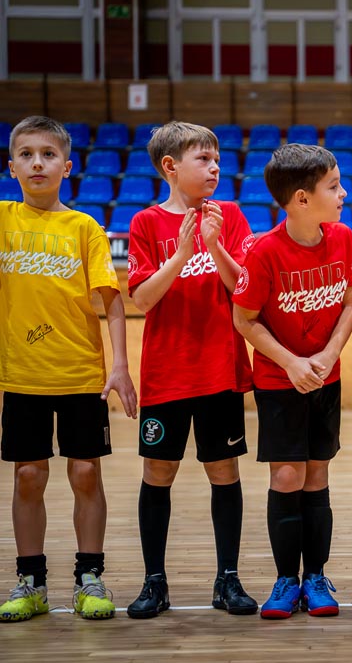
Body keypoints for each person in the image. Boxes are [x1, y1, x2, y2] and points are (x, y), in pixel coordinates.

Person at [0, 116, 137, 622]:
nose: (37, 163)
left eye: (48, 154)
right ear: (11, 167)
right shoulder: (2, 219)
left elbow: (113, 302)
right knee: (28, 476)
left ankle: (89, 578)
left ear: (68, 166)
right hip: (23, 374)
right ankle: (31, 582)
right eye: (26, 154)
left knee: (84, 473)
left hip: (80, 373)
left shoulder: (84, 228)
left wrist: (119, 366)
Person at [125, 122, 257, 619]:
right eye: (203, 159)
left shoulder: (231, 216)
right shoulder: (145, 223)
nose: (215, 167)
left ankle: (228, 578)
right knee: (158, 472)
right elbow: (142, 299)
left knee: (224, 471)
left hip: (220, 369)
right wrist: (182, 253)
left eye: (216, 159)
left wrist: (214, 245)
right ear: (170, 167)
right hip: (167, 372)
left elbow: (243, 288)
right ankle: (154, 581)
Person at [233, 144, 352, 619]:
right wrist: (290, 363)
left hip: (325, 377)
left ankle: (316, 577)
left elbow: (350, 303)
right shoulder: (264, 251)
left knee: (318, 474)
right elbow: (244, 319)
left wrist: (328, 355)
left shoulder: (342, 238)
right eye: (334, 186)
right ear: (302, 198)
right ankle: (287, 578)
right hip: (279, 380)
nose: (344, 194)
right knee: (288, 475)